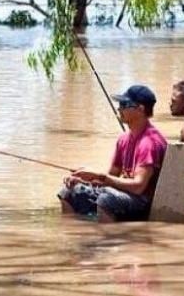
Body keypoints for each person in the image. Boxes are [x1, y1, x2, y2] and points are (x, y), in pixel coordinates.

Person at [58, 85, 168, 223]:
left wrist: (100, 176)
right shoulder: (123, 139)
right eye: (119, 104)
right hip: (124, 194)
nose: (119, 108)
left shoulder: (149, 142)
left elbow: (139, 187)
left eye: (124, 104)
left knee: (107, 199)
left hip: (142, 202)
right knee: (68, 192)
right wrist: (86, 179)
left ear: (140, 109)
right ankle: (72, 237)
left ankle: (107, 241)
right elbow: (112, 176)